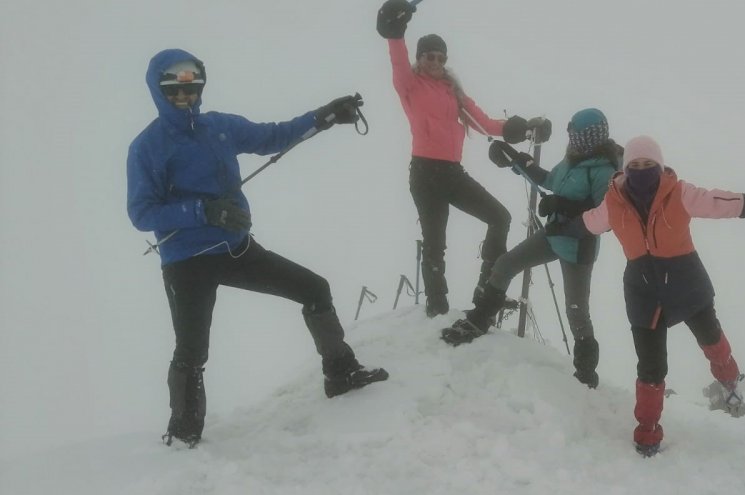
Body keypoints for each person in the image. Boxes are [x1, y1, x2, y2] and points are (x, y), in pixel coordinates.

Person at [127, 49, 389, 448]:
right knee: (192, 350)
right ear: (158, 92)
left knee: (314, 288)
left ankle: (340, 373)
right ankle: (183, 435)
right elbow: (142, 213)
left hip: (237, 249)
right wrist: (203, 211)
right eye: (175, 90)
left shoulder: (220, 126)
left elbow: (274, 135)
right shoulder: (148, 146)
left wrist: (324, 117)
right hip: (187, 262)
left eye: (192, 88)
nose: (186, 96)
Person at [546, 135, 745, 456]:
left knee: (712, 341)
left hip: (686, 283)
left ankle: (729, 380)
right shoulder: (613, 203)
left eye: (648, 165)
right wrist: (559, 228)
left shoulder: (680, 193)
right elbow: (589, 223)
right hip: (643, 292)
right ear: (625, 169)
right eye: (635, 165)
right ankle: (647, 431)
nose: (642, 170)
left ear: (660, 166)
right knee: (651, 367)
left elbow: (728, 204)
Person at [376, 0, 546, 317]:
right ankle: (437, 308)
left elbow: (485, 123)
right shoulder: (409, 84)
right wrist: (395, 32)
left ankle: (486, 288)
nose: (436, 61)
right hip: (425, 173)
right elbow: (398, 61)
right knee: (435, 242)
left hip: (453, 173)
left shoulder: (453, 91)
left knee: (500, 217)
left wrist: (520, 129)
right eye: (429, 56)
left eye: (441, 57)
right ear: (420, 58)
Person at [440, 108, 623, 388]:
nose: (571, 138)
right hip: (553, 236)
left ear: (590, 137)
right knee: (505, 265)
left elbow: (606, 218)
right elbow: (550, 180)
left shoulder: (605, 172)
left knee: (577, 311)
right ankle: (479, 319)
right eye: (570, 134)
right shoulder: (573, 160)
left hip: (577, 249)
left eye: (575, 134)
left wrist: (562, 206)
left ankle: (586, 376)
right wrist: (517, 161)